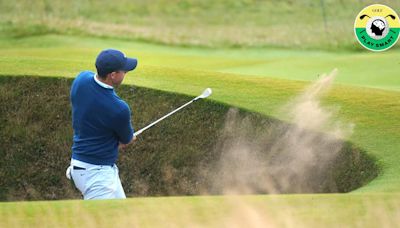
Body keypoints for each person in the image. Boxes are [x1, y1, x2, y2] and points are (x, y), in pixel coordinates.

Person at [66, 49, 138, 200]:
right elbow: (126, 140)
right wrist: (127, 139)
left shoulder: (81, 80)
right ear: (113, 75)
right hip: (96, 175)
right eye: (124, 70)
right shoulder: (119, 108)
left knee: (125, 217)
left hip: (87, 164)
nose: (126, 73)